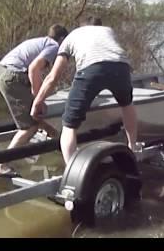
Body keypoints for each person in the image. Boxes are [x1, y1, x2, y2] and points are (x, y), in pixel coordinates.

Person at [30, 16, 138, 164]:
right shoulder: (108, 31)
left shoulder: (72, 36)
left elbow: (53, 76)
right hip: (121, 66)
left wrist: (38, 101)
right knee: (126, 104)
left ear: (80, 27)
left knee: (68, 125)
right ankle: (132, 147)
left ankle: (71, 166)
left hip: (91, 68)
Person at [0, 24, 69, 175]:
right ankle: (1, 165)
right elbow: (34, 68)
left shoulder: (40, 41)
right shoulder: (54, 46)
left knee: (30, 117)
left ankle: (51, 133)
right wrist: (38, 98)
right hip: (12, 78)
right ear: (62, 39)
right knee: (29, 127)